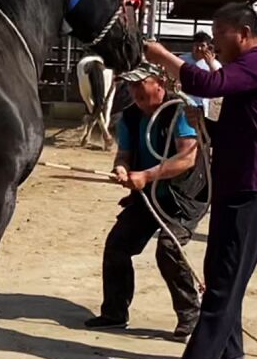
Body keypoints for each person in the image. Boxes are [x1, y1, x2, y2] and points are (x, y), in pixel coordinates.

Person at [142, 2, 257, 359]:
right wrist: (202, 123)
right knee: (223, 272)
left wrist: (163, 56)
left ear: (243, 32)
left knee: (225, 276)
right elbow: (235, 132)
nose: (213, 44)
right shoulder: (251, 75)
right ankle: (229, 350)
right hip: (238, 185)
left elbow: (207, 84)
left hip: (255, 188)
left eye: (219, 34)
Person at [84, 65, 206, 339]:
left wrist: (147, 175)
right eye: (130, 86)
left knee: (168, 249)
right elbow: (124, 153)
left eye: (141, 84)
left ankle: (192, 317)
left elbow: (188, 158)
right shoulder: (129, 116)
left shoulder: (181, 110)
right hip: (147, 195)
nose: (134, 91)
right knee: (117, 245)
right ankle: (115, 312)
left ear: (160, 84)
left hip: (184, 196)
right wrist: (122, 168)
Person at [179, 31, 223, 119]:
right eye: (196, 45)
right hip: (183, 103)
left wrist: (210, 63)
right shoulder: (182, 59)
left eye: (202, 45)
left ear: (208, 47)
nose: (199, 48)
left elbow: (218, 80)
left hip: (202, 105)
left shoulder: (214, 64)